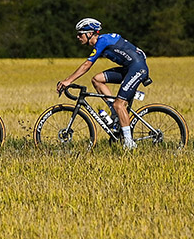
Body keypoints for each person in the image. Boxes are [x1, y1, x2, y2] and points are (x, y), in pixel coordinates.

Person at [56, 18, 148, 150]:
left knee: (119, 103)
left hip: (137, 68)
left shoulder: (102, 41)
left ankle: (129, 143)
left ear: (90, 33)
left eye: (80, 34)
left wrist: (68, 80)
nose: (77, 37)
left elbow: (88, 64)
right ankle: (115, 112)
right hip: (130, 68)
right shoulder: (103, 41)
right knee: (97, 79)